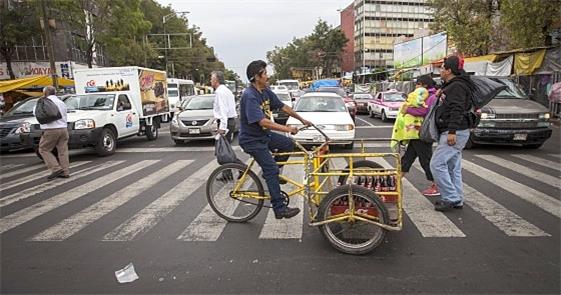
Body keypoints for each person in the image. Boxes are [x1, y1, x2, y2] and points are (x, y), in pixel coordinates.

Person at [239, 60, 312, 219]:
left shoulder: (265, 90)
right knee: (271, 169)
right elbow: (263, 121)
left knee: (288, 144)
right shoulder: (249, 96)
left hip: (264, 135)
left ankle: (271, 173)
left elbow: (283, 107)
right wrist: (287, 129)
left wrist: (301, 119)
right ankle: (279, 209)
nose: (268, 76)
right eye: (265, 73)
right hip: (252, 140)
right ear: (256, 77)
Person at [430, 55, 474, 211]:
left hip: (454, 131)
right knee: (452, 167)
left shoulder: (457, 86)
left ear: (449, 70)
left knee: (436, 164)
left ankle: (451, 197)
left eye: (442, 68)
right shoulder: (454, 85)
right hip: (456, 130)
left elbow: (457, 109)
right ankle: (458, 198)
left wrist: (452, 131)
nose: (440, 70)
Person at [400, 75, 439, 197]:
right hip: (415, 132)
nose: (416, 86)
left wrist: (407, 110)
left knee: (426, 160)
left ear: (424, 85)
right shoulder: (425, 95)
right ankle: (396, 180)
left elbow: (424, 111)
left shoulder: (431, 96)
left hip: (423, 133)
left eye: (418, 84)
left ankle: (437, 185)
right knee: (408, 157)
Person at [35, 86, 70, 180]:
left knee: (43, 149)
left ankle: (56, 168)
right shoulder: (61, 102)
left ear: (45, 93)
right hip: (63, 129)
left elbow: (36, 113)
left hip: (51, 129)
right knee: (63, 151)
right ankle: (65, 171)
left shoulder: (43, 102)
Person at [211, 71, 238, 143]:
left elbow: (223, 109)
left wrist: (222, 127)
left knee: (222, 150)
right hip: (230, 121)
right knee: (225, 148)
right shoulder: (227, 91)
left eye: (211, 79)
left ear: (216, 80)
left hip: (226, 122)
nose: (210, 81)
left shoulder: (220, 92)